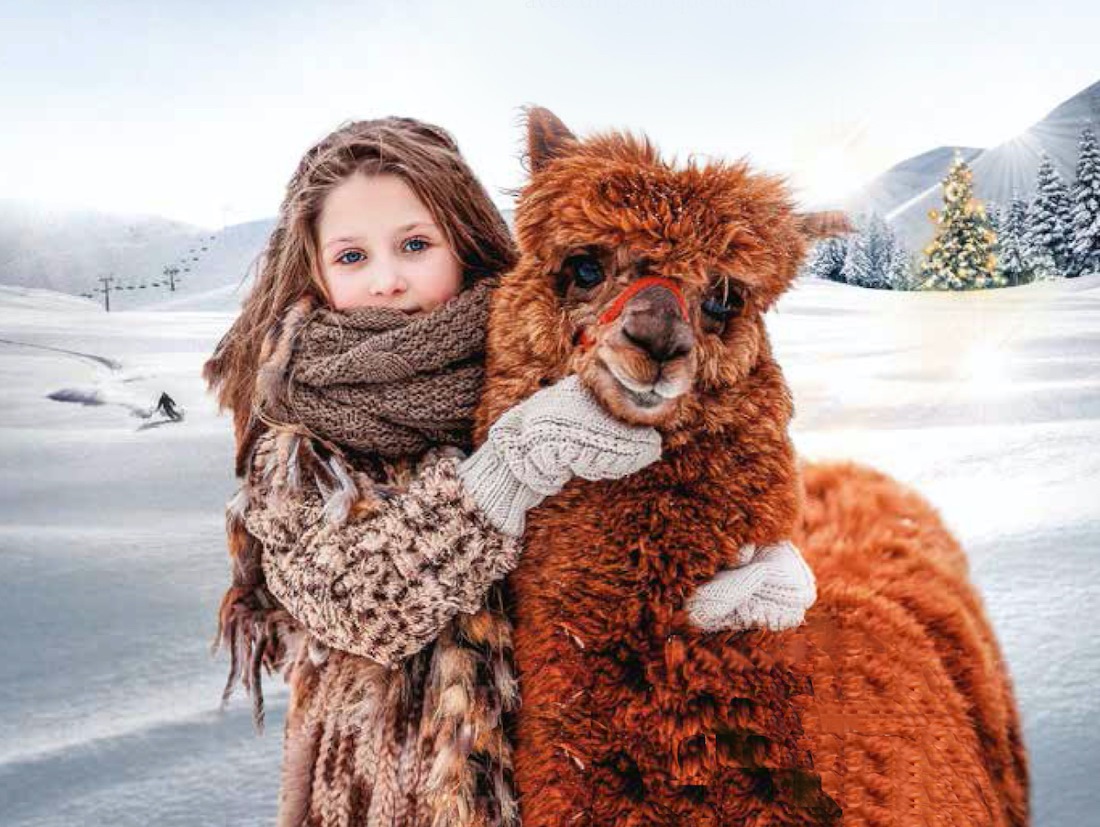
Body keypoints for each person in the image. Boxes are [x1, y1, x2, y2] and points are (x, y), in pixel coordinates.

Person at [203, 116, 815, 827]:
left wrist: (735, 588)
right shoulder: (302, 434)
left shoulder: (548, 361)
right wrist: (506, 469)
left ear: (463, 242)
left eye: (414, 244)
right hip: (387, 797)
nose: (387, 279)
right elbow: (362, 602)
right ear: (312, 268)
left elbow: (638, 541)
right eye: (351, 256)